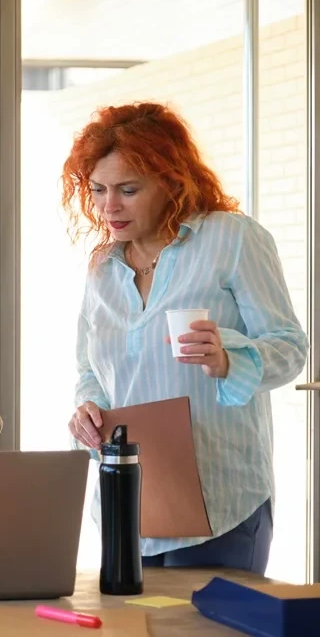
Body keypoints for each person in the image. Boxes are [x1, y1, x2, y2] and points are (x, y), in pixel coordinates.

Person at [63, 102, 308, 574]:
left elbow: (290, 346)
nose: (109, 206)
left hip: (223, 505)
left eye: (128, 190)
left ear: (171, 180)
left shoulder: (231, 239)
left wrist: (229, 358)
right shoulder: (102, 269)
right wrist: (88, 409)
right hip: (131, 506)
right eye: (97, 190)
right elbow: (90, 369)